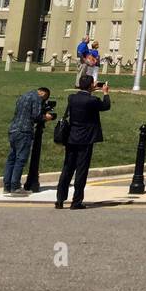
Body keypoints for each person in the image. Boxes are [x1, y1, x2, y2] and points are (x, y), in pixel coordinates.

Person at [55, 76, 111, 210]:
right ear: (91, 85)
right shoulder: (92, 100)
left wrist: (91, 88)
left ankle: (60, 199)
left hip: (72, 137)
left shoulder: (72, 98)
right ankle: (76, 201)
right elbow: (106, 106)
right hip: (86, 138)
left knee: (67, 168)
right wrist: (105, 92)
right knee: (81, 170)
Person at [3, 87, 55, 195]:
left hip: (13, 129)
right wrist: (47, 117)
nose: (43, 101)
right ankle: (15, 187)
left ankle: (7, 186)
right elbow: (36, 116)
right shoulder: (36, 98)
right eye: (44, 98)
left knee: (11, 159)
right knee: (20, 160)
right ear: (43, 93)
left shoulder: (23, 96)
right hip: (24, 131)